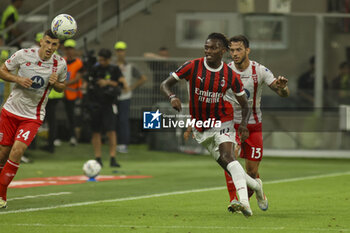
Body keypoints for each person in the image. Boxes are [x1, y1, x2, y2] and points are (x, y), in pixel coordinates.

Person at [160, 32, 267, 217]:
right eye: (206, 47)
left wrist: (242, 124)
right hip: (202, 129)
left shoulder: (229, 74)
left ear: (223, 51)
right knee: (229, 165)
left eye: (213, 48)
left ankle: (243, 202)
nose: (208, 51)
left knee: (229, 157)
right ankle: (257, 186)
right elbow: (165, 84)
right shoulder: (192, 66)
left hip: (223, 121)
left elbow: (244, 104)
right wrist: (172, 96)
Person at [0, 29, 66, 208]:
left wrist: (56, 84)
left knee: (17, 151)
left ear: (57, 46)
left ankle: (1, 196)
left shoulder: (60, 64)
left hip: (32, 116)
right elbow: (2, 71)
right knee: (2, 154)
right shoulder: (23, 55)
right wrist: (17, 79)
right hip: (10, 111)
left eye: (54, 44)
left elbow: (62, 88)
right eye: (47, 43)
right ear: (41, 42)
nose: (50, 47)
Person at [223, 35, 289, 212]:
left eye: (238, 50)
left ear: (247, 50)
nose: (235, 53)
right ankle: (236, 200)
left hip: (253, 126)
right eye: (232, 50)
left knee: (251, 172)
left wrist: (282, 88)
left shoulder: (260, 70)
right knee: (230, 161)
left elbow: (281, 92)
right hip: (231, 125)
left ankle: (258, 189)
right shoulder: (225, 70)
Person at [86, 48, 128, 167]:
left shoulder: (114, 69)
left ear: (109, 59)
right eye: (100, 60)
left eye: (104, 60)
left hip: (109, 103)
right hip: (96, 103)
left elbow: (123, 85)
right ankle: (98, 157)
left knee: (111, 131)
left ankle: (112, 157)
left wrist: (108, 82)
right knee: (96, 131)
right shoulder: (94, 69)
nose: (101, 62)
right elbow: (89, 82)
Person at [114, 41, 147, 153]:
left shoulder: (130, 66)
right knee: (114, 120)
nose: (120, 53)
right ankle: (115, 142)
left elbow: (143, 78)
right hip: (113, 96)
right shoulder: (113, 66)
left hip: (125, 96)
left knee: (123, 120)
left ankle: (123, 143)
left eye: (122, 50)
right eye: (118, 50)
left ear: (125, 52)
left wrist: (132, 87)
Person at [63, 39, 84, 146]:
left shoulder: (79, 63)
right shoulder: (62, 61)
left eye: (71, 48)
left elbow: (77, 78)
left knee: (73, 117)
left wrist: (64, 84)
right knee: (63, 115)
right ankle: (62, 136)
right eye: (67, 49)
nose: (69, 51)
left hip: (73, 94)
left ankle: (73, 137)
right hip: (61, 93)